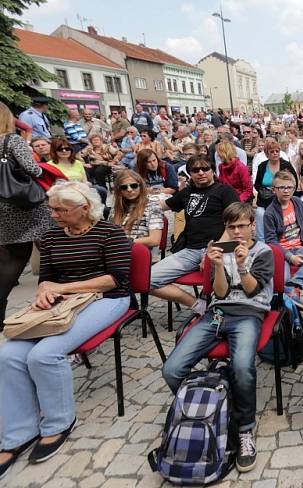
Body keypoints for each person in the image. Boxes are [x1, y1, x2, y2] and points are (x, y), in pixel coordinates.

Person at [0, 181, 130, 478]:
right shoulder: (50, 237)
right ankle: (18, 433)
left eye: (61, 209)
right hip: (61, 301)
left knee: (44, 354)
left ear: (84, 208)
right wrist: (45, 290)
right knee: (8, 356)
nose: (54, 214)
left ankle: (58, 423)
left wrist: (64, 288)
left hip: (108, 299)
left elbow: (115, 279)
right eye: (52, 208)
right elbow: (46, 277)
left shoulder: (109, 233)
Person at [162, 203, 272, 473]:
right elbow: (220, 294)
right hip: (219, 314)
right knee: (172, 369)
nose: (236, 231)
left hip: (249, 313)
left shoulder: (264, 252)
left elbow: (251, 291)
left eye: (241, 226)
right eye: (231, 226)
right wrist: (219, 266)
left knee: (242, 367)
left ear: (252, 226)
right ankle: (212, 407)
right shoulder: (220, 253)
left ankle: (244, 428)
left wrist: (243, 266)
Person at [150, 155, 240, 312]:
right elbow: (162, 205)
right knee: (145, 280)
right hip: (191, 250)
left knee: (226, 285)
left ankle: (225, 313)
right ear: (190, 173)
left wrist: (214, 251)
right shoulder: (187, 192)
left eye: (205, 169)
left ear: (213, 171)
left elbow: (234, 225)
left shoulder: (225, 191)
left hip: (221, 248)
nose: (201, 173)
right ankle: (199, 305)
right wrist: (135, 201)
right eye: (195, 170)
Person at [0, 102, 52, 322]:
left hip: (2, 205)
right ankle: (54, 296)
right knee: (48, 248)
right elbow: (33, 169)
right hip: (25, 204)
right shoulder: (12, 140)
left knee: (11, 255)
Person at [263, 171, 303, 307]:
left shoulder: (296, 202)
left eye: (290, 187)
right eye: (281, 188)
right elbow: (271, 241)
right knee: (282, 281)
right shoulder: (270, 213)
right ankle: (285, 301)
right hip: (282, 252)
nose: (286, 191)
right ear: (274, 190)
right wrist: (290, 257)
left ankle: (295, 284)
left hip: (300, 247)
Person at [108, 170, 164, 258]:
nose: (129, 190)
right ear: (119, 191)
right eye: (124, 187)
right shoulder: (115, 210)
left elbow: (155, 240)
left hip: (141, 255)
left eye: (133, 186)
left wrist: (124, 242)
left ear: (140, 186)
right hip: (117, 254)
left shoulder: (153, 207)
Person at [254, 140, 298, 241]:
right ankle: (262, 242)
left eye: (277, 151)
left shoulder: (286, 165)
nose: (275, 153)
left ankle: (280, 239)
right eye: (272, 151)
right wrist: (267, 191)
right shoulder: (262, 166)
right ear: (267, 154)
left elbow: (294, 181)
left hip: (283, 199)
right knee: (259, 213)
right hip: (265, 200)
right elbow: (257, 184)